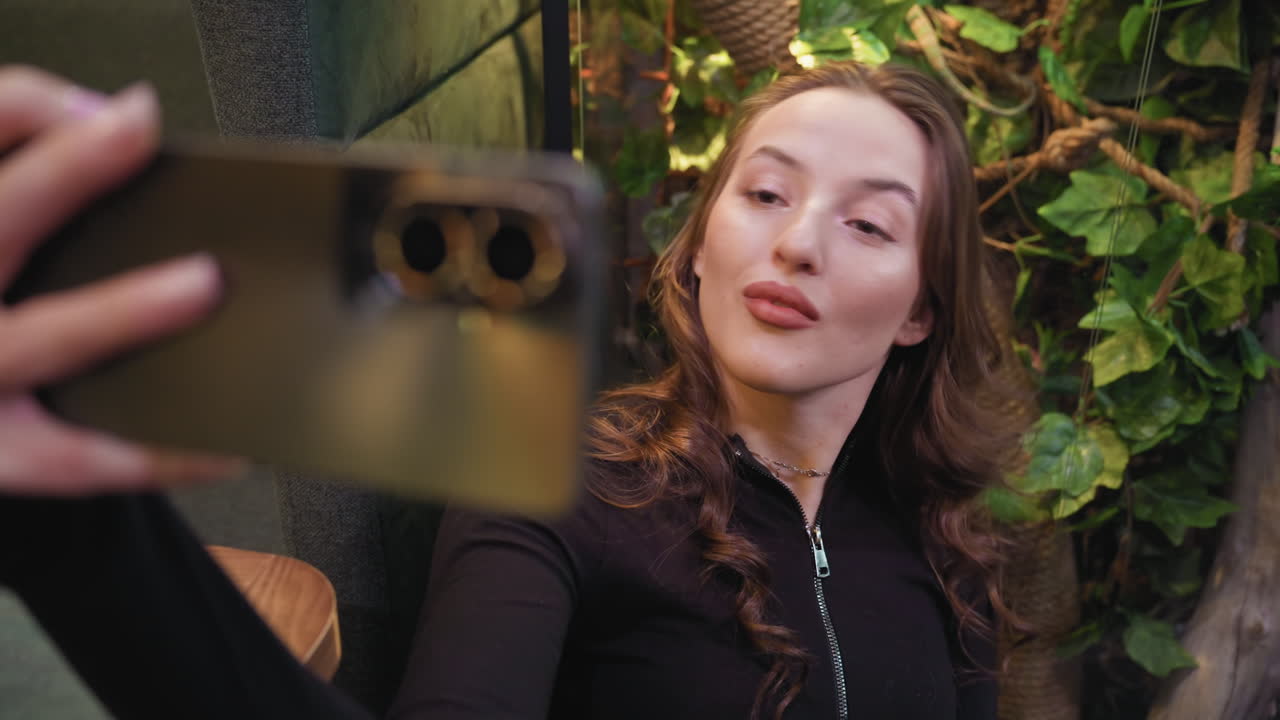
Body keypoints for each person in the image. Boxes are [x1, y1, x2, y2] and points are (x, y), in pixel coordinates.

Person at [0, 60, 1021, 719]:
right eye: (763, 194)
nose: (795, 243)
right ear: (701, 247)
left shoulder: (941, 538)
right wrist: (84, 534)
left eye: (868, 224)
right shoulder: (559, 485)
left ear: (921, 309)